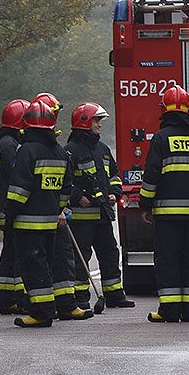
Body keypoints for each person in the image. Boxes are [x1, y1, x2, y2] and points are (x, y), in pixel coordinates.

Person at [6, 100, 92, 327]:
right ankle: (47, 309)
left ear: (28, 125)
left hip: (27, 225)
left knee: (33, 268)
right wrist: (56, 209)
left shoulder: (26, 151)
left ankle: (41, 312)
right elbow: (65, 189)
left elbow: (19, 189)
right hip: (51, 224)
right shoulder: (60, 152)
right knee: (47, 265)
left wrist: (10, 214)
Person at [139, 86, 189, 323]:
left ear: (164, 109)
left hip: (167, 215)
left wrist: (145, 205)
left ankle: (170, 310)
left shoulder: (161, 138)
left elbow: (152, 175)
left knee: (168, 260)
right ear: (188, 109)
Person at [65, 102, 135, 309]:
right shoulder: (70, 151)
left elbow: (114, 175)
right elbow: (65, 181)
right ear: (85, 122)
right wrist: (78, 197)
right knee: (80, 258)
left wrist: (114, 193)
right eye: (96, 120)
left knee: (110, 254)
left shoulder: (103, 150)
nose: (100, 125)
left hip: (103, 215)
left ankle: (114, 295)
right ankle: (80, 298)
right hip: (81, 218)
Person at [0, 99, 29, 315]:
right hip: (13, 208)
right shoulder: (9, 145)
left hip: (8, 207)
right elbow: (19, 174)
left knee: (10, 253)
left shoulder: (6, 143)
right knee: (16, 254)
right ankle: (16, 298)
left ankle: (6, 299)